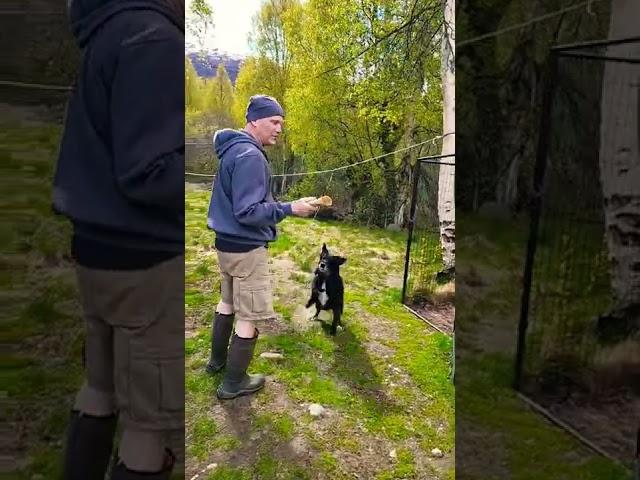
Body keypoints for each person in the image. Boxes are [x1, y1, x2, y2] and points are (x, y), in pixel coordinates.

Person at [52, 0, 185, 479]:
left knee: (99, 387)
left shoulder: (111, 29)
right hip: (145, 265)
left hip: (98, 255)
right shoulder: (152, 38)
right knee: (147, 430)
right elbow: (147, 173)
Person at [206, 94, 318, 400]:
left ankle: (216, 363)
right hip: (245, 250)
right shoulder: (250, 156)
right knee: (248, 316)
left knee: (227, 303)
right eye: (274, 121)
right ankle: (233, 383)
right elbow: (247, 211)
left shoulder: (232, 150)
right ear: (254, 119)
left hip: (226, 247)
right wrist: (289, 208)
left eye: (281, 122)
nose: (279, 129)